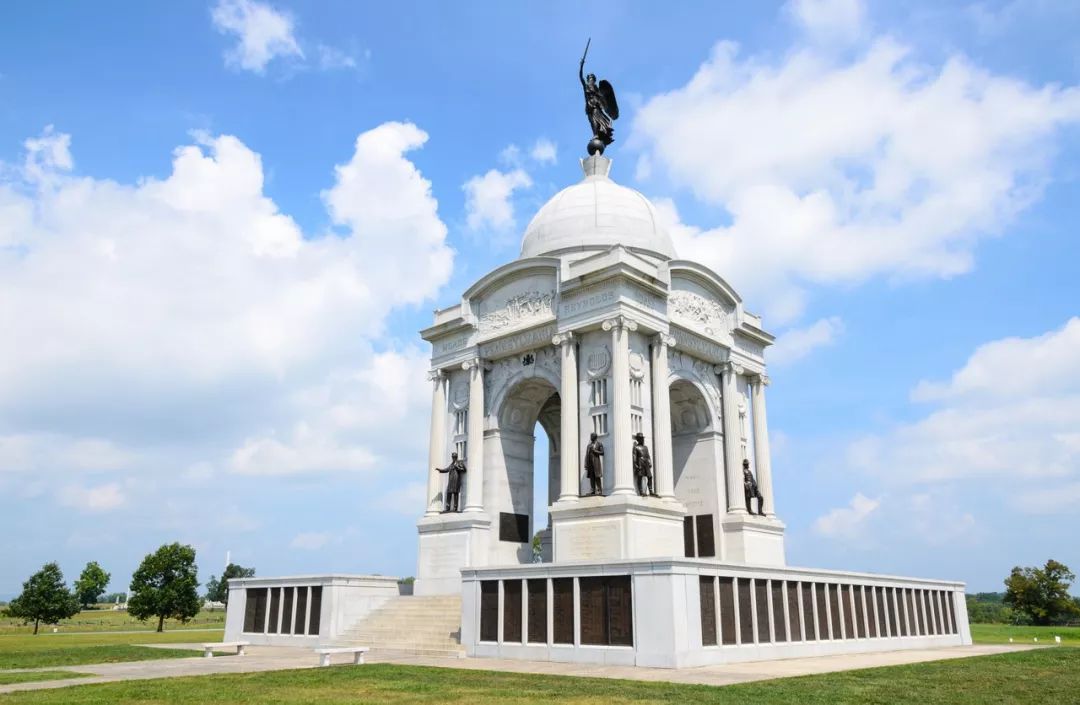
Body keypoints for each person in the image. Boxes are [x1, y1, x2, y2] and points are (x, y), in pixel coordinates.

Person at [632, 432, 655, 497]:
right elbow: (634, 456)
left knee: (650, 476)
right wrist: (635, 464)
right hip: (640, 462)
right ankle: (641, 491)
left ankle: (651, 491)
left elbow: (648, 455)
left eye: (643, 438)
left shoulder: (645, 447)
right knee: (640, 477)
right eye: (641, 438)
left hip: (646, 463)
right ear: (638, 439)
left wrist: (650, 461)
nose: (643, 439)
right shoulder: (636, 447)